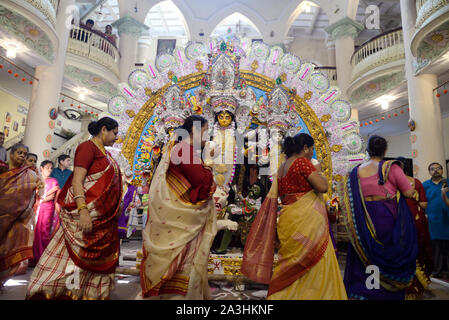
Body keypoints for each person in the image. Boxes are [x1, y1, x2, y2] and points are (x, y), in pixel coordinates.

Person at [139, 115, 237, 300]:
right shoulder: (184, 150)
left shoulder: (182, 149)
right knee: (185, 271)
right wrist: (208, 160)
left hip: (180, 222)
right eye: (206, 130)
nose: (207, 136)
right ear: (195, 130)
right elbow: (203, 184)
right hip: (183, 225)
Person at [241, 133, 347, 300]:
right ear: (305, 148)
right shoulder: (302, 163)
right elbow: (323, 187)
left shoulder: (282, 167)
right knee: (315, 258)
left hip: (289, 219)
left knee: (292, 262)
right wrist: (318, 171)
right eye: (311, 149)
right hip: (307, 222)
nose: (311, 153)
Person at [26, 117, 122, 300]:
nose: (116, 138)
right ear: (104, 129)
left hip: (103, 220)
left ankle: (88, 294)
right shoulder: (87, 147)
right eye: (115, 133)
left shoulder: (107, 154)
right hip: (85, 215)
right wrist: (83, 210)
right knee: (71, 259)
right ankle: (61, 293)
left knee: (90, 261)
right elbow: (77, 180)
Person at [342, 135, 417, 300]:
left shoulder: (356, 171)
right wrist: (413, 190)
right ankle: (385, 293)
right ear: (385, 150)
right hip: (385, 215)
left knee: (365, 254)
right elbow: (407, 193)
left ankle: (367, 291)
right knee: (387, 252)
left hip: (363, 217)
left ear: (367, 150)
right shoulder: (392, 167)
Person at [0, 144, 44, 287]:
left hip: (18, 219)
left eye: (25, 154)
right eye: (19, 152)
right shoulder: (2, 171)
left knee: (10, 249)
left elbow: (36, 193)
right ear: (11, 154)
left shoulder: (30, 175)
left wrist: (25, 212)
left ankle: (1, 281)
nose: (22, 156)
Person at [396, 157, 433, 299]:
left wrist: (412, 197)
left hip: (411, 221)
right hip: (405, 221)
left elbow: (424, 204)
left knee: (415, 249)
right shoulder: (394, 184)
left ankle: (414, 285)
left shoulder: (414, 182)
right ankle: (410, 285)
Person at [423, 162, 449, 279]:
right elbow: (422, 202)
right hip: (433, 221)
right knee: (436, 248)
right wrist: (424, 214)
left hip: (447, 220)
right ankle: (437, 271)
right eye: (432, 169)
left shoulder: (447, 183)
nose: (435, 171)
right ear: (429, 172)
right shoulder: (425, 185)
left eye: (438, 168)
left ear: (442, 170)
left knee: (447, 247)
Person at [31, 160, 60, 265]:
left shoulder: (53, 181)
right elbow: (34, 196)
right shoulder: (37, 180)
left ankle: (43, 259)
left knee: (44, 232)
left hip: (47, 208)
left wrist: (41, 199)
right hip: (36, 208)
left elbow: (52, 197)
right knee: (34, 232)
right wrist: (42, 198)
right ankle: (33, 259)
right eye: (47, 167)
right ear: (41, 168)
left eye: (51, 168)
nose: (49, 170)